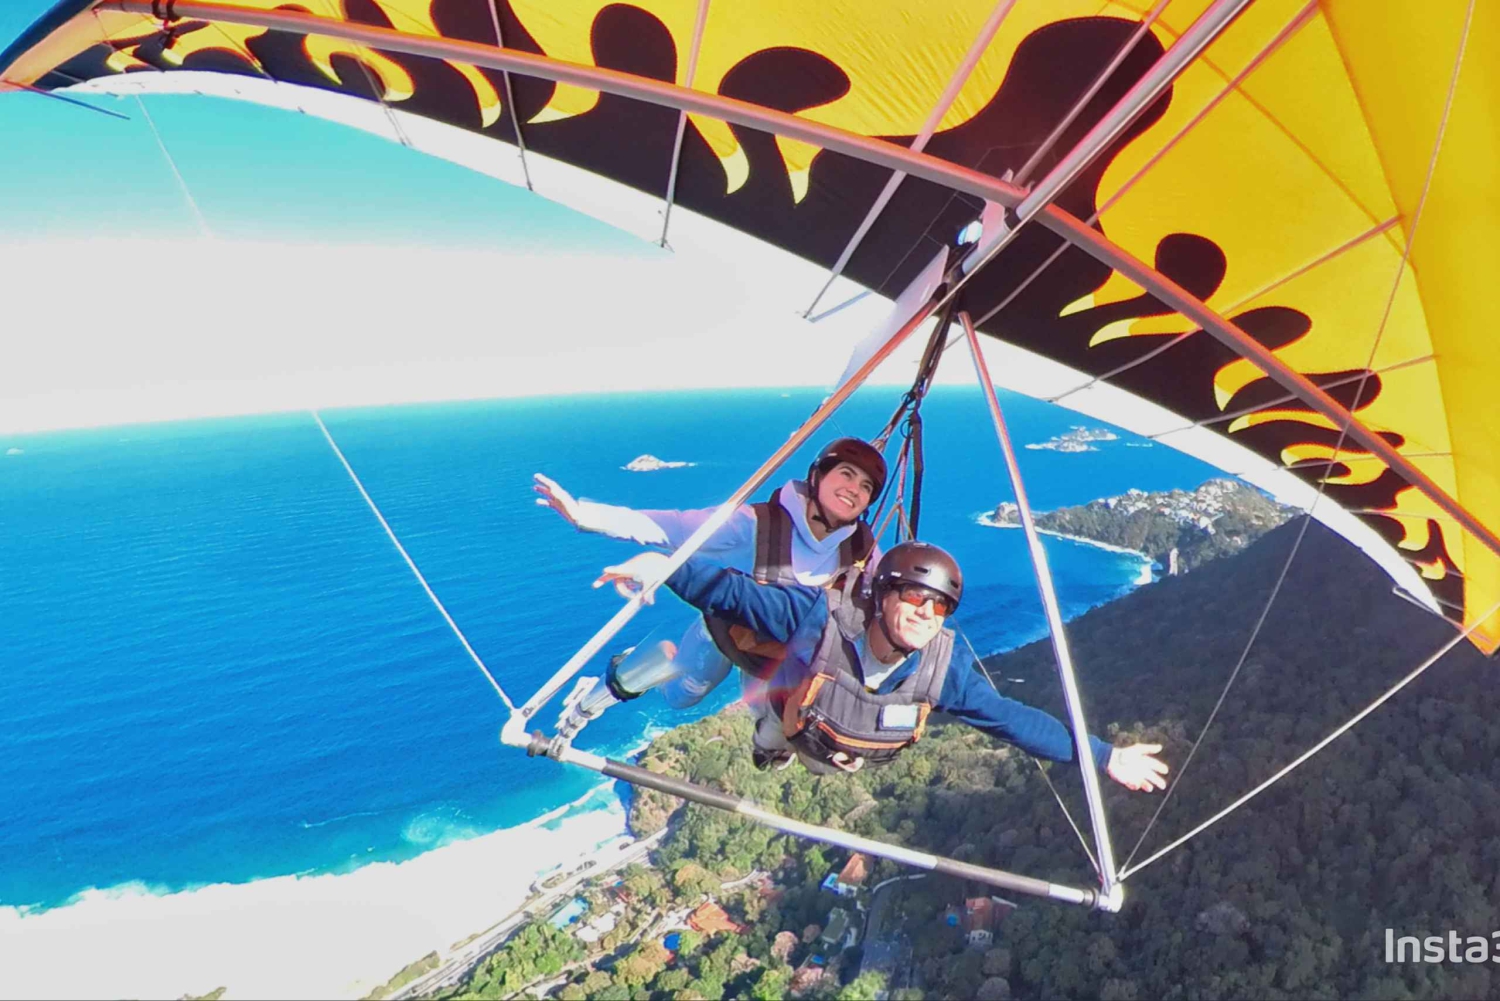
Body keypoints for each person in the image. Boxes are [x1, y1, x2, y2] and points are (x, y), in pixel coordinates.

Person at [595, 540, 1169, 790]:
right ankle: (635, 674)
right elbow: (730, 591)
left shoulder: (941, 671)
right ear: (881, 597)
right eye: (915, 597)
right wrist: (662, 564)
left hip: (838, 743)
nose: (927, 612)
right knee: (724, 707)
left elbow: (1013, 720)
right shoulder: (820, 617)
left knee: (817, 760)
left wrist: (1103, 756)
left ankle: (779, 745)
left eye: (940, 605)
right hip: (784, 692)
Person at [534, 438, 887, 709]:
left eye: (866, 486)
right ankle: (618, 676)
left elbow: (891, 599)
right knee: (682, 696)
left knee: (784, 724)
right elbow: (672, 527)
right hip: (727, 633)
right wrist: (585, 515)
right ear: (818, 476)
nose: (854, 489)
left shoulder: (860, 550)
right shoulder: (757, 524)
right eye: (846, 474)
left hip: (781, 654)